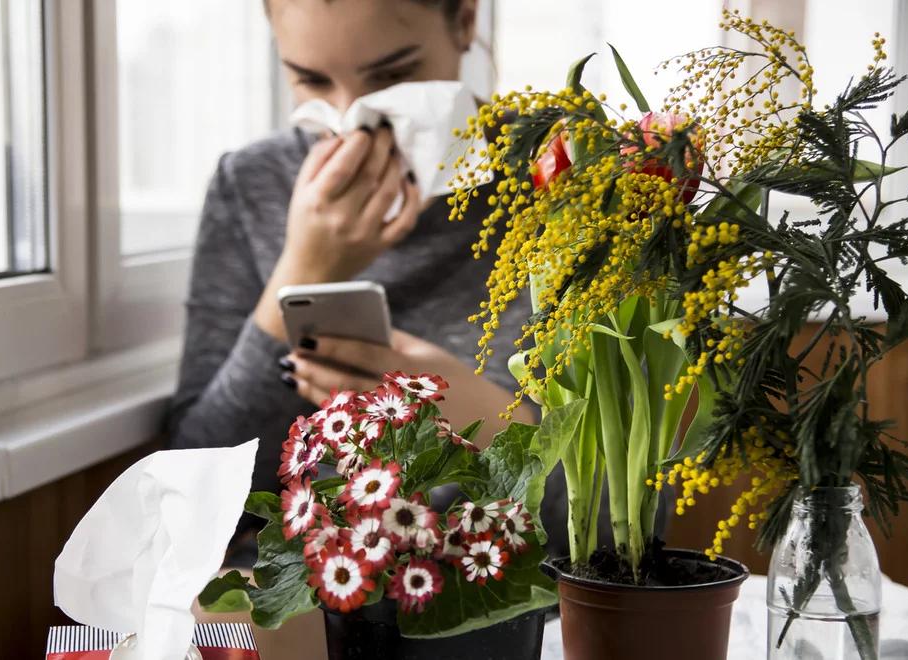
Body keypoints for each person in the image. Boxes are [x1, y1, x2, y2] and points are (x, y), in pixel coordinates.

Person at [166, 0, 598, 561]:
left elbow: (626, 533)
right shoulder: (252, 185)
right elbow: (190, 508)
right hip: (313, 616)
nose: (352, 119)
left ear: (465, 22)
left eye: (393, 77)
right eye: (312, 81)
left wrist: (488, 421)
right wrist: (302, 271)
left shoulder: (571, 175)